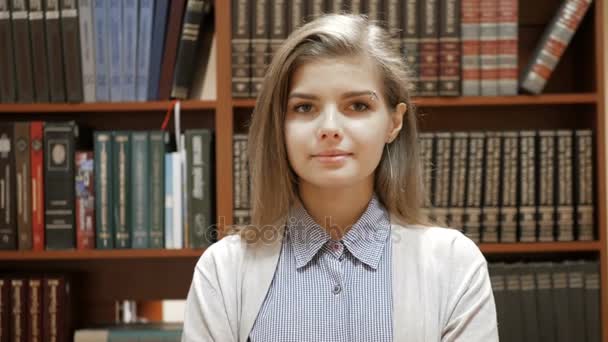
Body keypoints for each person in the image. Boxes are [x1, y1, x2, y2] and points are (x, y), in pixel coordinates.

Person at [181, 13, 498, 342]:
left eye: (358, 106)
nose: (330, 128)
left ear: (394, 122)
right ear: (279, 125)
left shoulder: (454, 265)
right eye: (305, 108)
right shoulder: (223, 271)